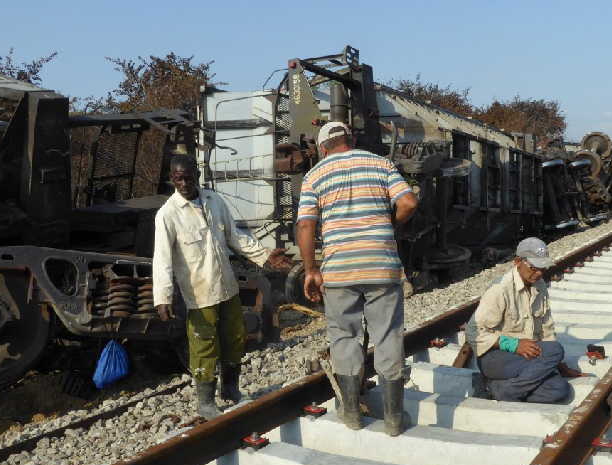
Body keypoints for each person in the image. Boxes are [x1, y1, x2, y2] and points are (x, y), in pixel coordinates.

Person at [296, 122, 418, 436]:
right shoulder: (381, 164)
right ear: (350, 140)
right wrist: (388, 226)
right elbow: (408, 202)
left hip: (339, 271)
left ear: (324, 148)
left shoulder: (315, 175)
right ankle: (393, 419)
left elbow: (307, 226)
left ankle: (351, 413)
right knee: (388, 335)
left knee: (344, 337)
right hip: (381, 267)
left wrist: (311, 270)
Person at [153, 155, 289, 419]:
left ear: (197, 175)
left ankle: (230, 389)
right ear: (172, 178)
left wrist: (264, 256)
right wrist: (163, 296)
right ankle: (205, 401)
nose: (184, 183)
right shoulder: (167, 215)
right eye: (178, 179)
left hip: (226, 287)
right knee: (204, 345)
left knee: (234, 338)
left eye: (188, 177)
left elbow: (235, 236)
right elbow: (162, 259)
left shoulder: (214, 201)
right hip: (199, 294)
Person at [466, 238, 576, 403]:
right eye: (533, 267)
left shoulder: (539, 286)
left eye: (542, 268)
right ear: (518, 262)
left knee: (559, 389)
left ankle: (499, 389)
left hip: (526, 358)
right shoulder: (500, 289)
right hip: (496, 358)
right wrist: (513, 344)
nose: (538, 273)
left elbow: (546, 329)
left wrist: (557, 366)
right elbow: (473, 332)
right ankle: (504, 388)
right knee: (555, 350)